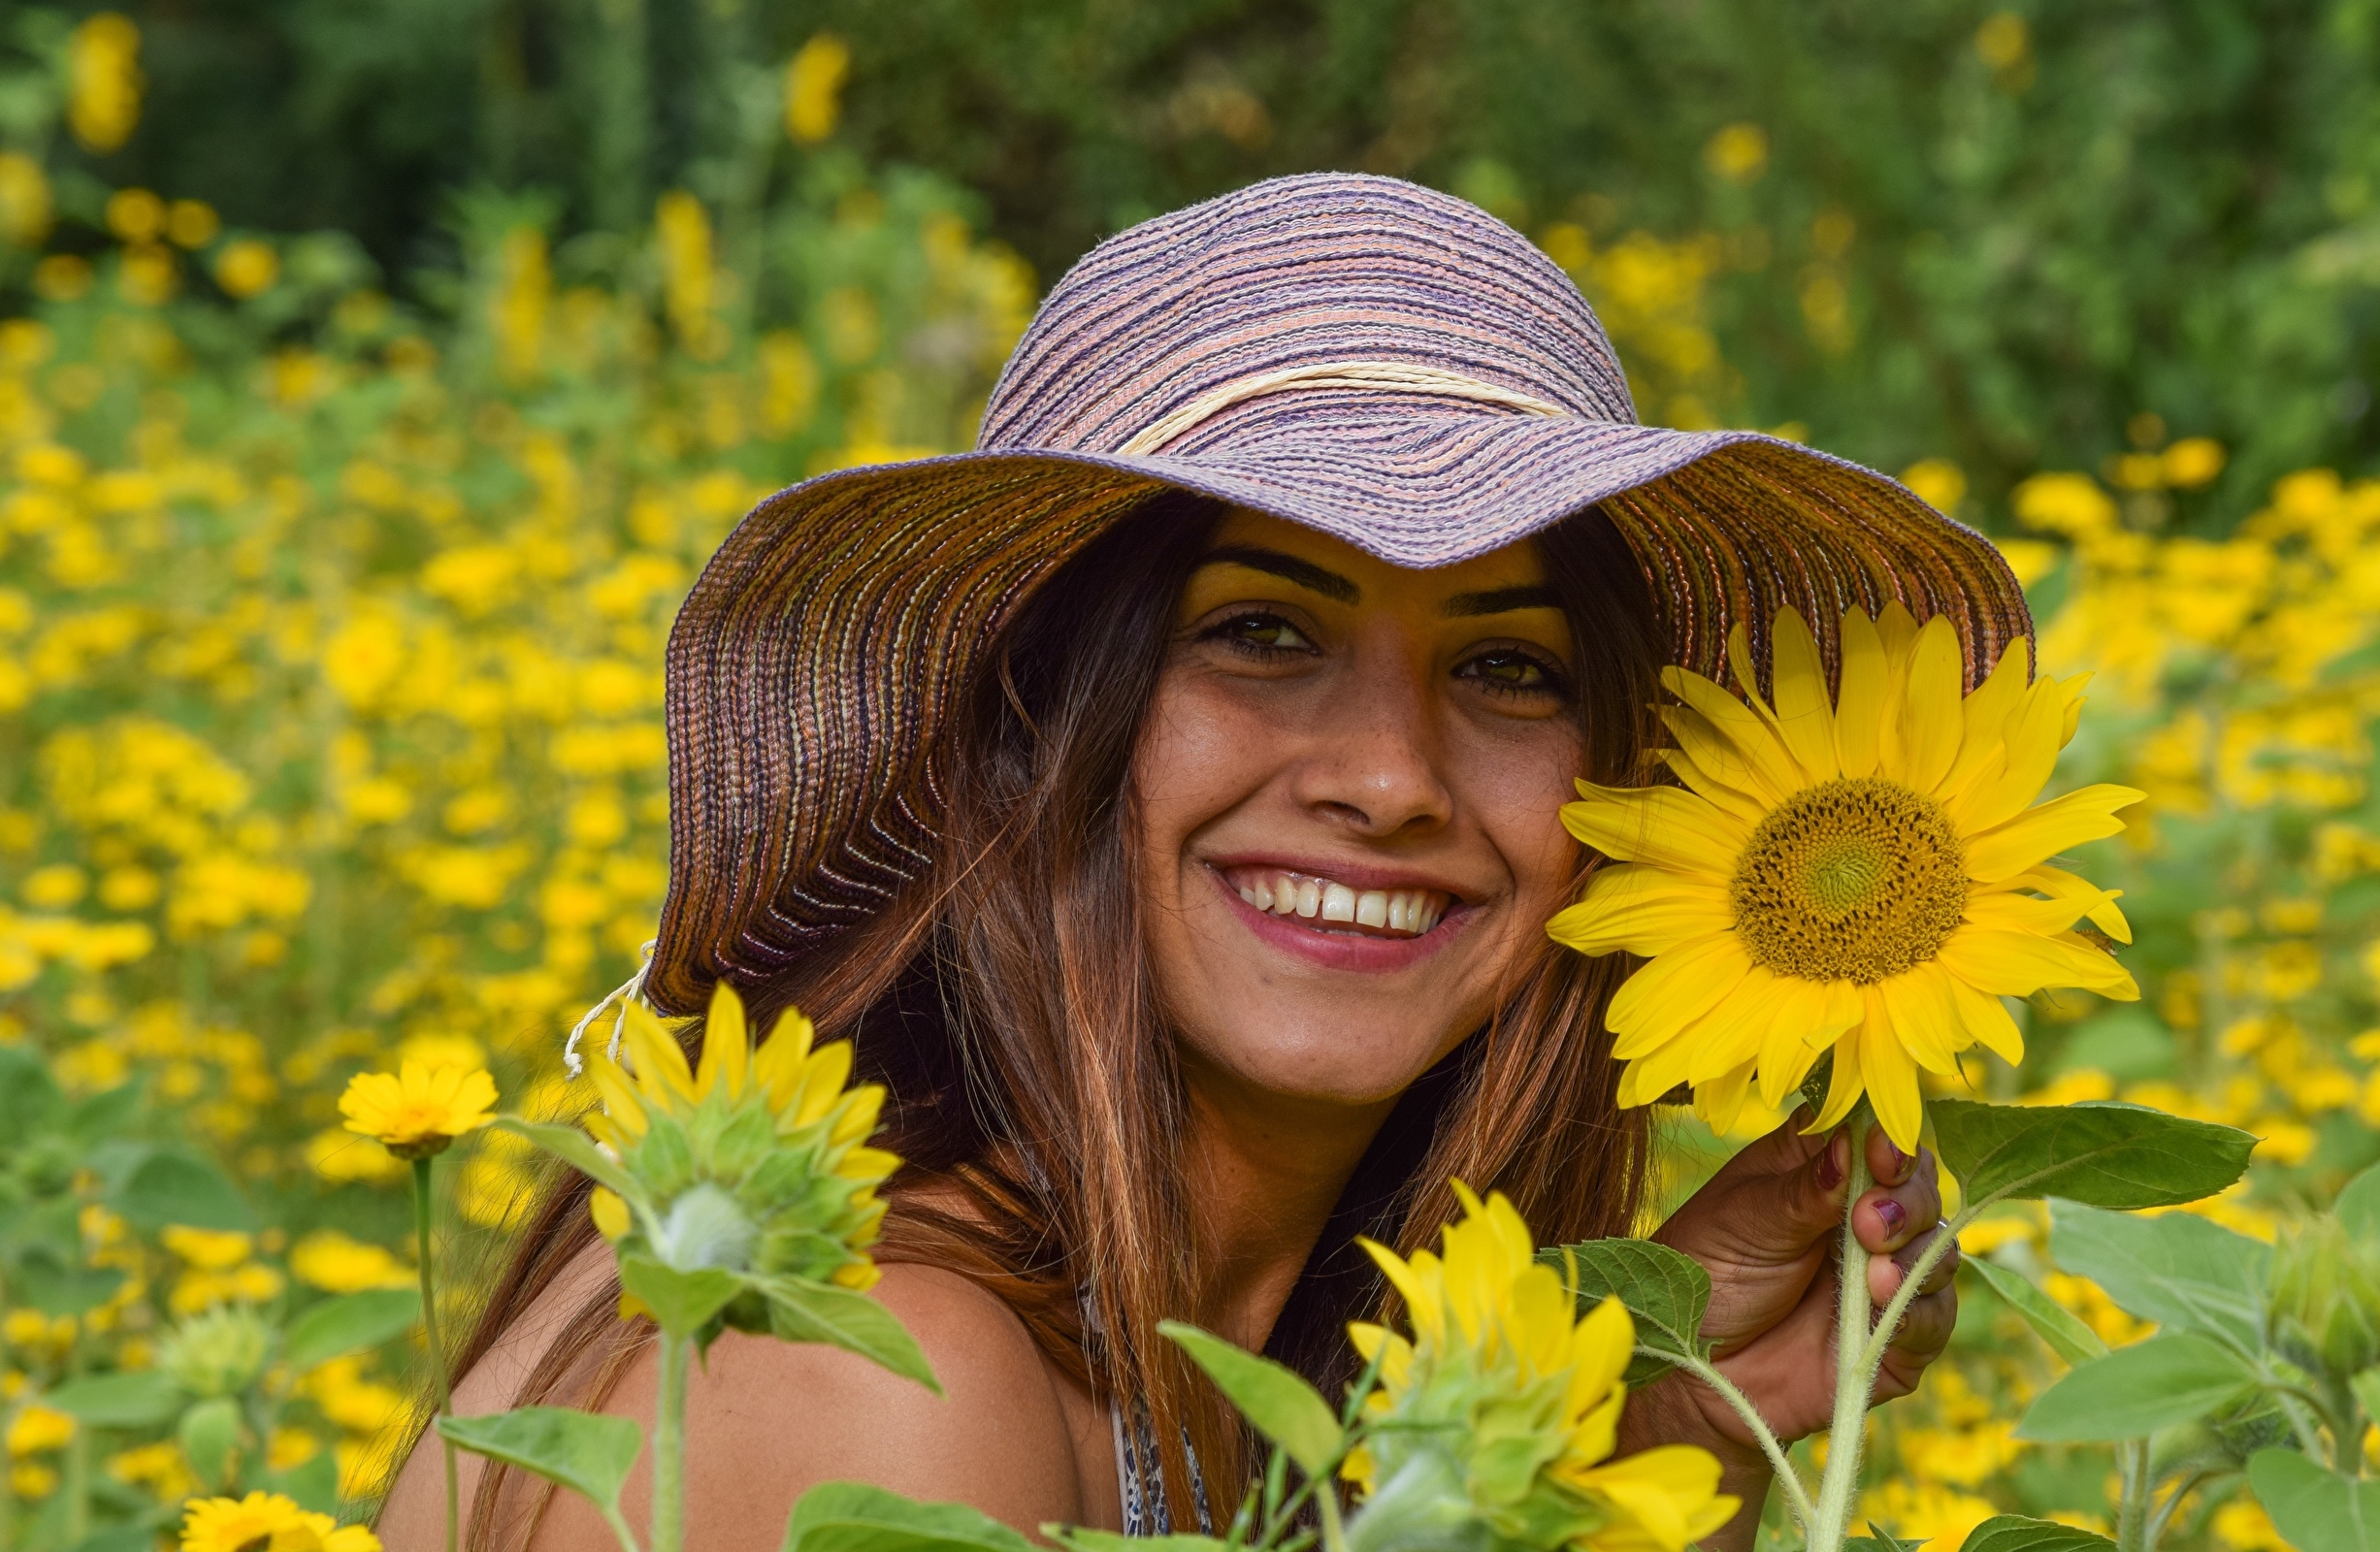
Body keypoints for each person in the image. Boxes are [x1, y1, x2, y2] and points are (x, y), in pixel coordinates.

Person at [380, 173, 2021, 1552]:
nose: (1389, 779)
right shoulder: (871, 1371)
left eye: (1512, 668)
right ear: (1032, 721)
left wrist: (1654, 1434)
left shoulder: (1268, 1360)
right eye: (1258, 632)